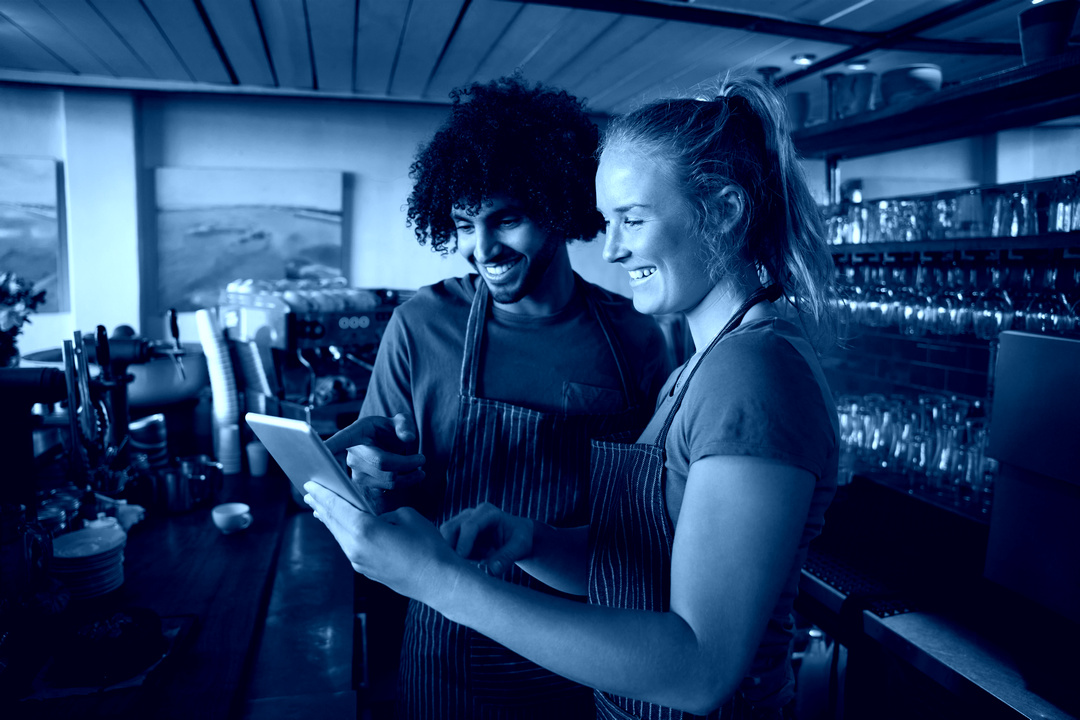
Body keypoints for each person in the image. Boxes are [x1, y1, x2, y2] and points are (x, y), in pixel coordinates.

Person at [311, 76, 839, 720]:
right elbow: (645, 569)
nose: (612, 249)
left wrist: (436, 579)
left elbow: (699, 666)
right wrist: (533, 541)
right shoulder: (706, 364)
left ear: (726, 211)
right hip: (490, 670)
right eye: (609, 220)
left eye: (632, 219)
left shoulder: (748, 372)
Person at [324, 75, 672, 719]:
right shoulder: (421, 325)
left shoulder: (636, 340)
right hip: (445, 652)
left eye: (506, 218)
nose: (484, 249)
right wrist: (367, 477)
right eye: (464, 224)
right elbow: (378, 494)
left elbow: (652, 523)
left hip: (587, 651)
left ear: (559, 205)